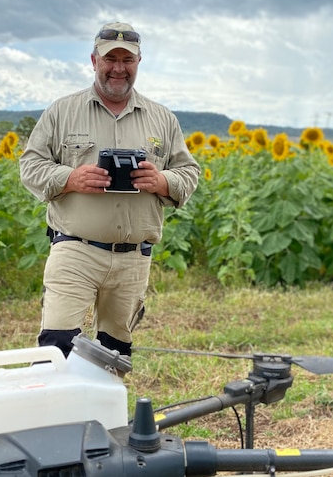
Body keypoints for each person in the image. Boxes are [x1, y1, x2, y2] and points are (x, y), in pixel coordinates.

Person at [19, 21, 200, 358]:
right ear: (94, 61)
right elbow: (30, 166)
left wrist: (162, 181)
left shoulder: (163, 119)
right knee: (57, 349)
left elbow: (189, 172)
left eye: (127, 60)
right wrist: (70, 178)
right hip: (76, 251)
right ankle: (58, 411)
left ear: (138, 63)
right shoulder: (62, 112)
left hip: (133, 259)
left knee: (115, 355)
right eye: (110, 59)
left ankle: (104, 412)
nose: (118, 68)